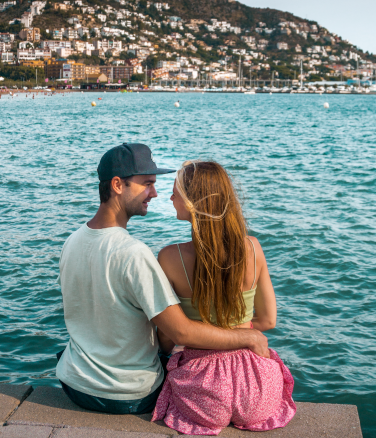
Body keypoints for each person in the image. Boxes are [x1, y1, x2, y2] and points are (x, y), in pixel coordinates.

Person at [56, 144, 269, 415]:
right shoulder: (134, 253)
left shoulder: (72, 241)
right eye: (147, 184)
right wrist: (249, 338)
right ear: (118, 185)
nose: (154, 194)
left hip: (74, 385)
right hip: (128, 395)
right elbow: (179, 332)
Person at [152, 160, 296, 435]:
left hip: (202, 390)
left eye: (175, 191)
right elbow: (267, 320)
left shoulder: (170, 258)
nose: (169, 197)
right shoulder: (253, 248)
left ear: (194, 201)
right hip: (257, 387)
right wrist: (238, 332)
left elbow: (168, 337)